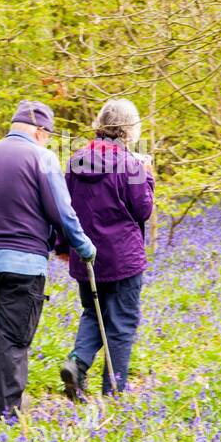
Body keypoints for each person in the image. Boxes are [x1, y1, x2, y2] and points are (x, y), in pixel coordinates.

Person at [0, 100, 96, 420]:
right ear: (40, 132)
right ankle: (7, 418)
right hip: (24, 264)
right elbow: (62, 212)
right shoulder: (43, 158)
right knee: (12, 340)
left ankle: (1, 408)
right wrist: (84, 247)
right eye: (50, 135)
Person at [57, 97, 154, 399]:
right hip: (123, 258)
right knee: (121, 324)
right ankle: (114, 394)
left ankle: (77, 363)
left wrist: (62, 246)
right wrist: (147, 174)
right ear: (128, 130)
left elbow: (63, 206)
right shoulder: (131, 164)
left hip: (86, 258)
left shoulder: (75, 160)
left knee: (93, 313)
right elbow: (144, 210)